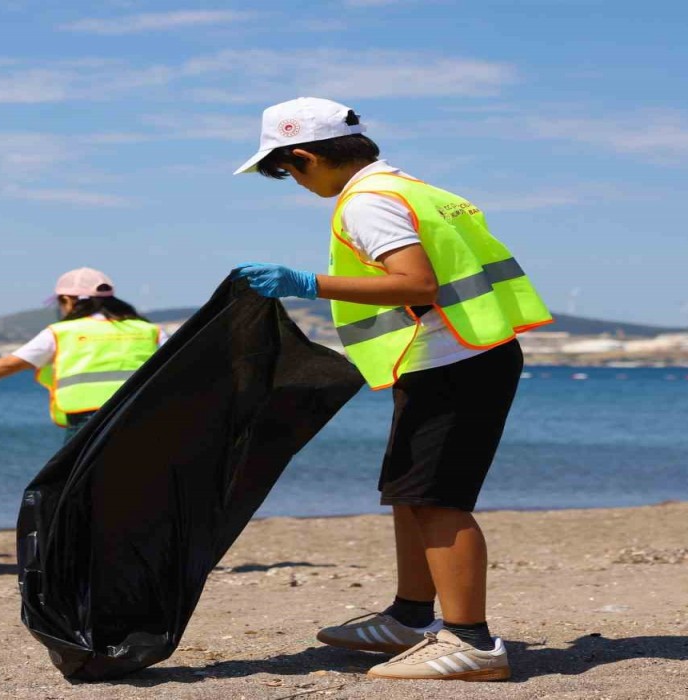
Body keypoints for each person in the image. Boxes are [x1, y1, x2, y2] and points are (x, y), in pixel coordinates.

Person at [232, 97, 552, 682]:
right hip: (454, 356)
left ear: (304, 156)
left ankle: (472, 643)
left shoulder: (369, 202)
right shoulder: (416, 189)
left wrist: (305, 283)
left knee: (439, 499)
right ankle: (411, 618)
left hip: (458, 360)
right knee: (411, 491)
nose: (292, 183)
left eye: (284, 171)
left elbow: (418, 284)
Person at [0, 268, 165, 440]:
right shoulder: (149, 331)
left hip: (88, 422)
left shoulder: (62, 332)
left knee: (75, 489)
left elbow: (11, 363)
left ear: (68, 300)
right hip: (143, 418)